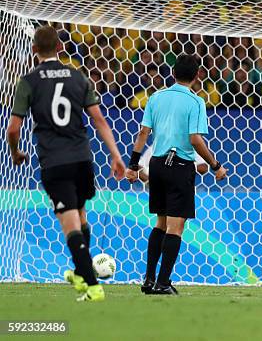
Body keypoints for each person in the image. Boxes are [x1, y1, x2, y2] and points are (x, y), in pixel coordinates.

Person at [6, 25, 126, 302]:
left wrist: (15, 152)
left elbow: (13, 129)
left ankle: (93, 286)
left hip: (55, 161)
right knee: (81, 215)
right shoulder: (77, 75)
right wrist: (115, 155)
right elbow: (99, 120)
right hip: (83, 158)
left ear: (34, 50)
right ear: (60, 48)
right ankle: (81, 272)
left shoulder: (28, 81)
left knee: (69, 223)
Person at [126, 54, 227, 295]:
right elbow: (195, 139)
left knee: (160, 223)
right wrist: (215, 165)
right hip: (180, 166)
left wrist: (132, 165)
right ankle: (163, 283)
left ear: (172, 74)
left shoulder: (156, 97)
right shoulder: (196, 102)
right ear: (196, 76)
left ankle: (149, 280)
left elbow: (143, 133)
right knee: (175, 228)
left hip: (158, 164)